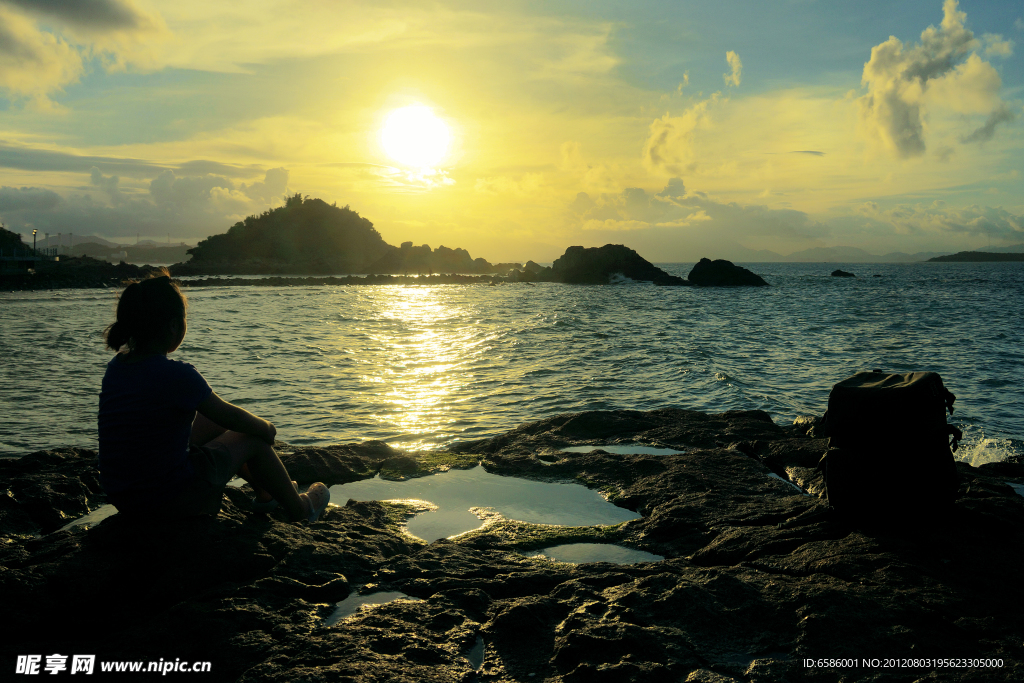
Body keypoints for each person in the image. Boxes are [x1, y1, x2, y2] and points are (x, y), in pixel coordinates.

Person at [97, 270, 329, 522]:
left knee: (209, 424)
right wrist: (267, 427)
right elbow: (233, 418)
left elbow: (216, 420)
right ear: (174, 325)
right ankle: (301, 509)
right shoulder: (177, 374)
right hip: (168, 501)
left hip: (124, 498)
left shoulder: (117, 367)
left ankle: (266, 493)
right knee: (252, 437)